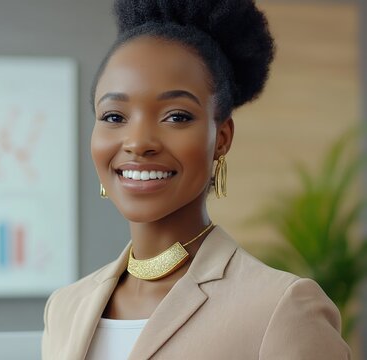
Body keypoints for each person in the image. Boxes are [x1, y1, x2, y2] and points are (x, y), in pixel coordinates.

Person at [42, 1, 351, 359]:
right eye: (114, 116)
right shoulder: (64, 308)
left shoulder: (282, 309)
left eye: (176, 116)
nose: (139, 142)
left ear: (221, 138)